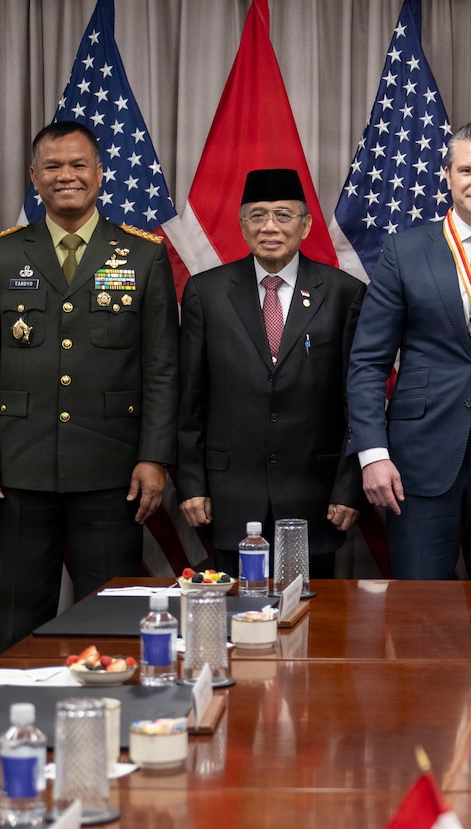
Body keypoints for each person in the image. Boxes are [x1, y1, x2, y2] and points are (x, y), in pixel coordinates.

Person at [0, 121, 177, 654]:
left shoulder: (142, 255)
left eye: (79, 164)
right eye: (53, 166)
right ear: (34, 178)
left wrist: (155, 457)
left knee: (108, 614)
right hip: (20, 468)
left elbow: (162, 367)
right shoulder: (1, 255)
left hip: (111, 467)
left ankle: (109, 725)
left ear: (100, 174)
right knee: (18, 616)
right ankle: (15, 725)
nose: (66, 176)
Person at [345, 120, 471, 580]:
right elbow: (367, 363)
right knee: (420, 614)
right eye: (467, 170)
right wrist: (372, 453)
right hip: (415, 461)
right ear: (448, 175)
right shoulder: (404, 250)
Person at [178, 169, 367, 582]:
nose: (269, 227)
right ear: (242, 224)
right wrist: (191, 484)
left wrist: (348, 487)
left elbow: (358, 402)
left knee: (311, 626)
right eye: (257, 215)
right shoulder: (206, 293)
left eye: (283, 215)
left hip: (315, 498)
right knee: (234, 619)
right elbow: (188, 399)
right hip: (229, 496)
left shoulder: (343, 293)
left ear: (305, 225)